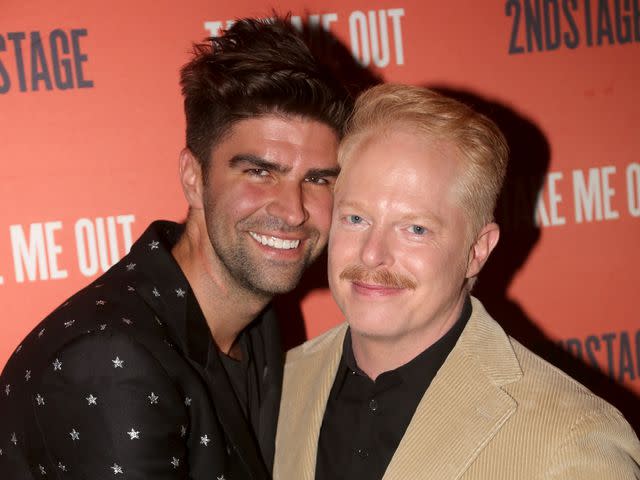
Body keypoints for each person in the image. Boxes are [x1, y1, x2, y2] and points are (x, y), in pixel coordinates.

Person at [0, 17, 351, 480]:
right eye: (260, 172)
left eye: (318, 180)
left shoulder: (259, 324)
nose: (293, 211)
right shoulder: (109, 361)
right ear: (193, 177)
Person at [273, 84, 640, 479]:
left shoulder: (572, 441)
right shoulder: (282, 383)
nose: (372, 253)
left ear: (477, 250)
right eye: (356, 219)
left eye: (415, 228)